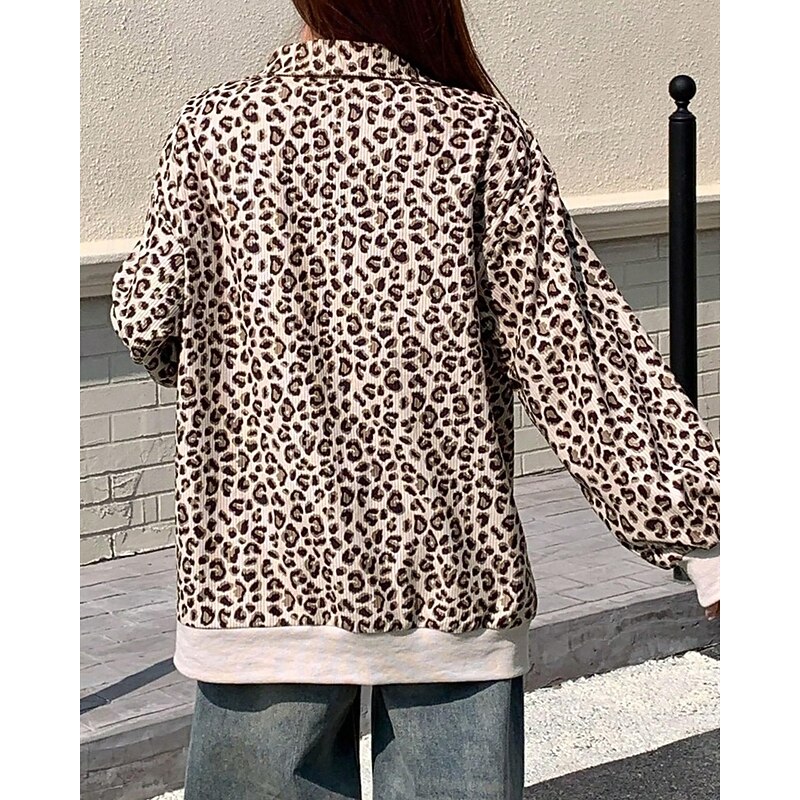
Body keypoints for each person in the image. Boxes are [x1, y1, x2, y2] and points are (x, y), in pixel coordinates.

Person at [109, 2, 720, 798]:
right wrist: (712, 541)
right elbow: (577, 356)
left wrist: (244, 360)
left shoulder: (216, 130)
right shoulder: (478, 134)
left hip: (261, 576)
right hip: (449, 574)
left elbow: (145, 321)